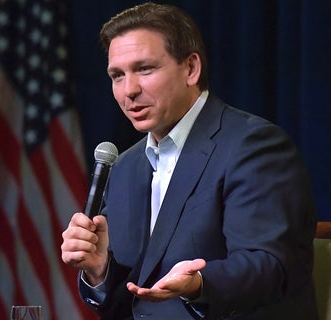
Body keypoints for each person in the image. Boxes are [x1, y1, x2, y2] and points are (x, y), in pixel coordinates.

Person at [61, 2, 318, 319]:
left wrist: (200, 283)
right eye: (117, 75)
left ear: (191, 69)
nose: (129, 90)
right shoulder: (125, 167)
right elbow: (131, 304)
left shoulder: (253, 146)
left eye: (145, 69)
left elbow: (270, 265)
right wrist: (100, 272)